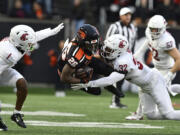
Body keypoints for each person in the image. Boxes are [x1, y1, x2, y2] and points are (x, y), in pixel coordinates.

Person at [72, 34, 180, 120]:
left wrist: (89, 83)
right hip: (145, 85)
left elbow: (110, 80)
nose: (105, 50)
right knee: (151, 115)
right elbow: (100, 56)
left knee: (169, 114)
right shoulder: (118, 53)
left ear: (118, 51)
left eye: (109, 49)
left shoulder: (123, 61)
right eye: (106, 47)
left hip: (154, 82)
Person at [0, 23, 64, 131]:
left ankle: (16, 114)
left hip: (4, 68)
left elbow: (35, 36)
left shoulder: (17, 43)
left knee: (22, 84)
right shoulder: (10, 53)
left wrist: (52, 31)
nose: (31, 44)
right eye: (28, 43)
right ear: (18, 42)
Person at [126, 15, 180, 120]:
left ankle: (139, 114)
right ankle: (139, 114)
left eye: (156, 30)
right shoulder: (149, 32)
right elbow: (148, 41)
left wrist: (169, 74)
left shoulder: (167, 41)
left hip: (167, 69)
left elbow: (178, 59)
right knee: (145, 87)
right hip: (157, 68)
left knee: (155, 90)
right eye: (152, 29)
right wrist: (137, 54)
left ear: (163, 28)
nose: (154, 32)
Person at [57, 24, 122, 97]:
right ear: (83, 42)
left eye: (95, 43)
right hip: (71, 71)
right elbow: (64, 78)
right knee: (97, 91)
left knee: (109, 70)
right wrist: (83, 81)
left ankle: (107, 85)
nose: (94, 47)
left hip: (84, 58)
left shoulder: (88, 42)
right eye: (90, 45)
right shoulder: (75, 56)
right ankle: (91, 82)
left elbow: (99, 52)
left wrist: (108, 62)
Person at [106, 7, 137, 108]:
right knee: (117, 78)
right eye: (125, 15)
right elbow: (108, 41)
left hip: (127, 57)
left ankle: (116, 100)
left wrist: (132, 56)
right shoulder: (115, 26)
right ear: (120, 16)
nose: (128, 16)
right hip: (117, 57)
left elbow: (133, 43)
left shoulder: (133, 27)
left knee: (121, 79)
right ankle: (115, 101)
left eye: (129, 14)